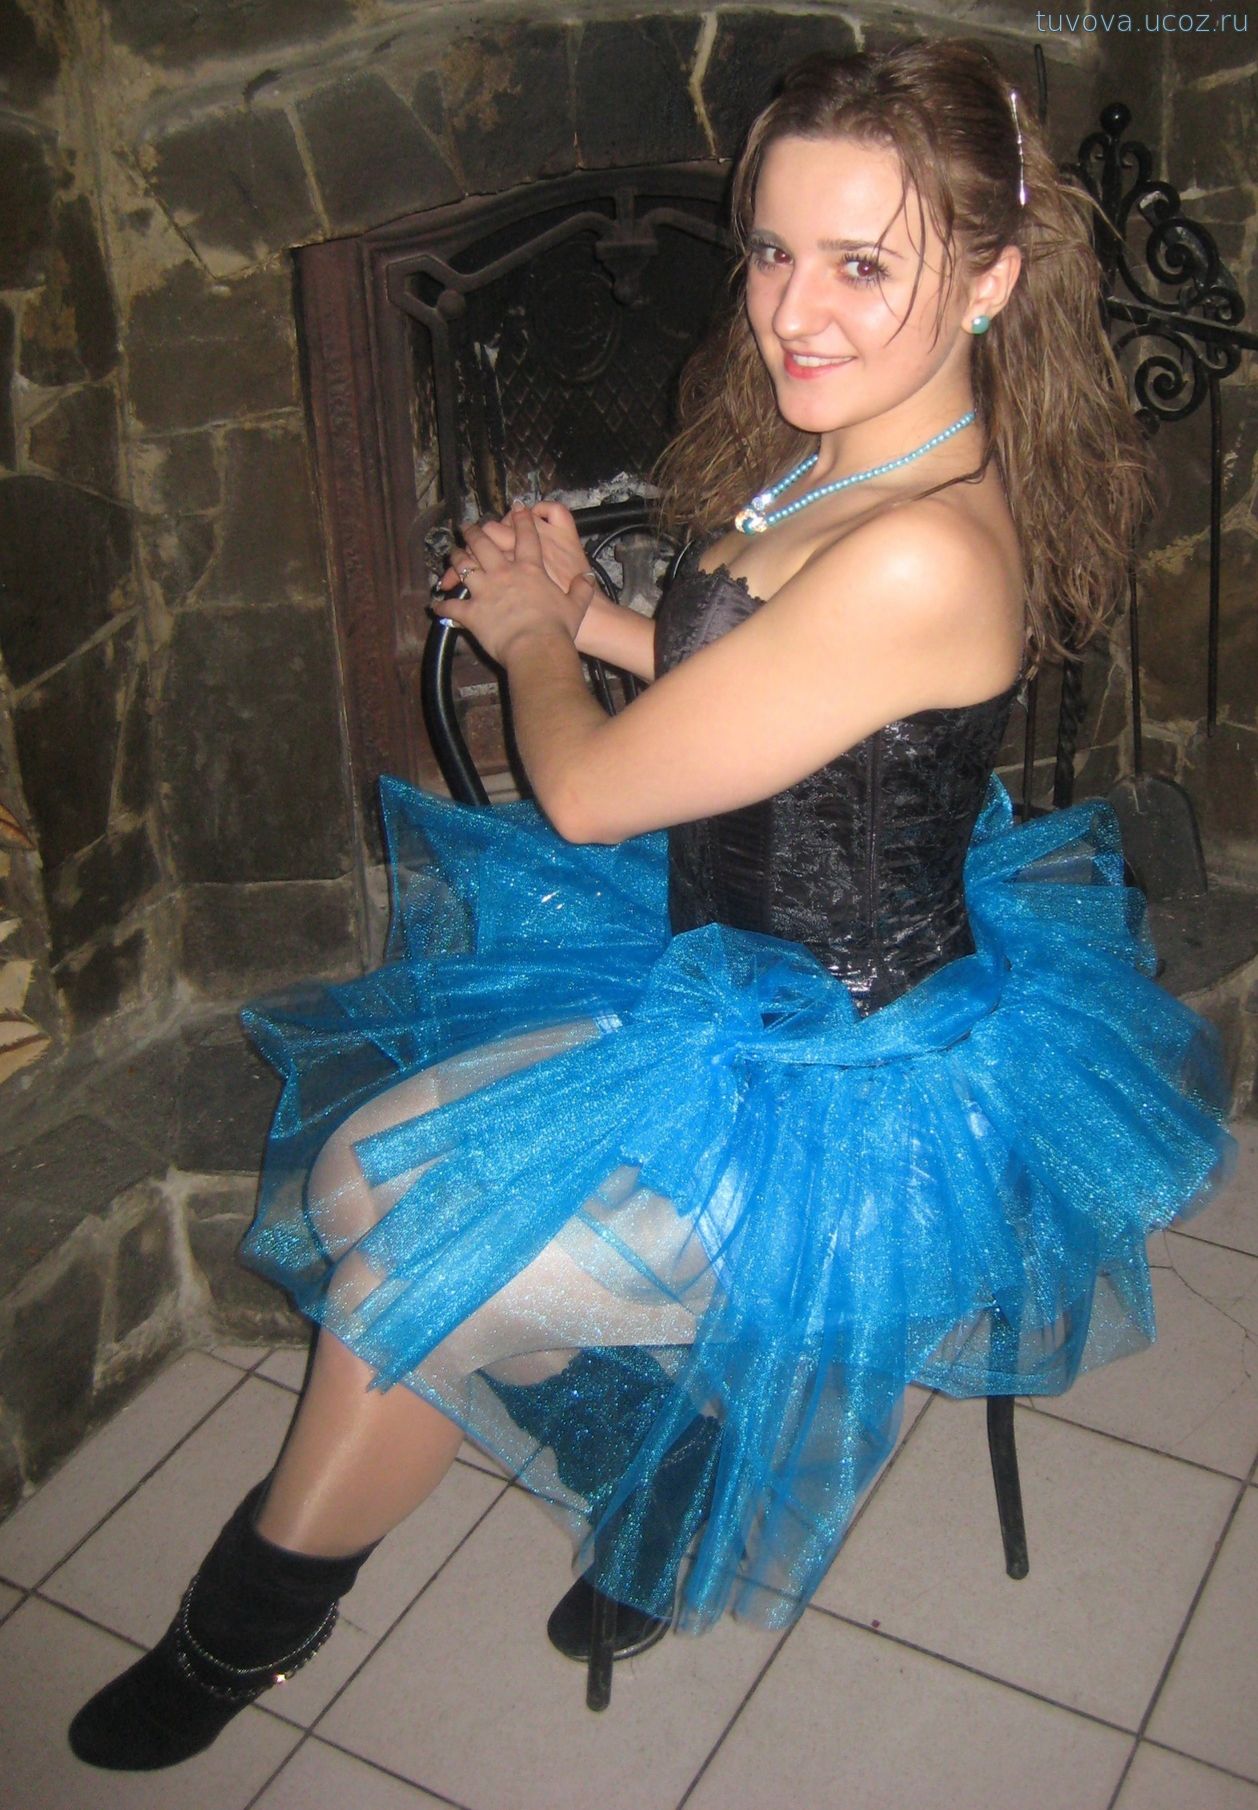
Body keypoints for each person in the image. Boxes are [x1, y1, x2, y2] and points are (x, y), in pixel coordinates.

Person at [69, 39, 1234, 1770]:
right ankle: (669, 1465)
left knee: (407, 1274)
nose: (791, 312)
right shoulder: (841, 451)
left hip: (845, 1074)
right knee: (359, 1177)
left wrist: (536, 639)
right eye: (769, 250)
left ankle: (244, 1626)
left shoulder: (922, 542)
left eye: (861, 266)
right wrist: (597, 618)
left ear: (992, 279)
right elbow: (768, 684)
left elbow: (594, 792)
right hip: (724, 981)